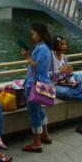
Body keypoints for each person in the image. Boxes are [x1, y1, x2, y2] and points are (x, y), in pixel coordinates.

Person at [21, 23, 54, 152]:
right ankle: (45, 135)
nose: (32, 35)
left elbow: (36, 66)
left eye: (34, 33)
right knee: (39, 109)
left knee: (33, 112)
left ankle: (36, 142)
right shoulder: (46, 47)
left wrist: (27, 57)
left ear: (40, 34)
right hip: (43, 82)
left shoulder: (41, 48)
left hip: (34, 83)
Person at [51, 36, 82, 101]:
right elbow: (44, 74)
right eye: (62, 44)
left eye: (65, 44)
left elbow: (66, 75)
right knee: (66, 92)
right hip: (53, 84)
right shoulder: (49, 57)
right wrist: (59, 71)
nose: (64, 46)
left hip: (65, 81)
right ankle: (81, 95)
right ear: (55, 45)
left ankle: (74, 92)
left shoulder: (64, 57)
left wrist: (70, 77)